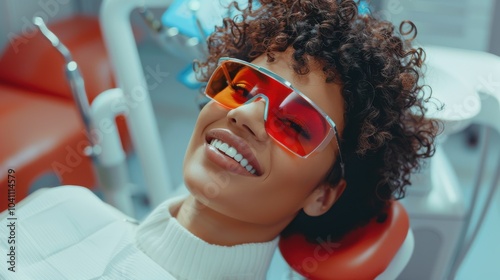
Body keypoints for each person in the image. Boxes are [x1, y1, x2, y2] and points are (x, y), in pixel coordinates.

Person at [0, 0, 439, 279]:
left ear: (323, 194)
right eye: (243, 87)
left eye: (297, 123)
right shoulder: (67, 207)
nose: (245, 113)